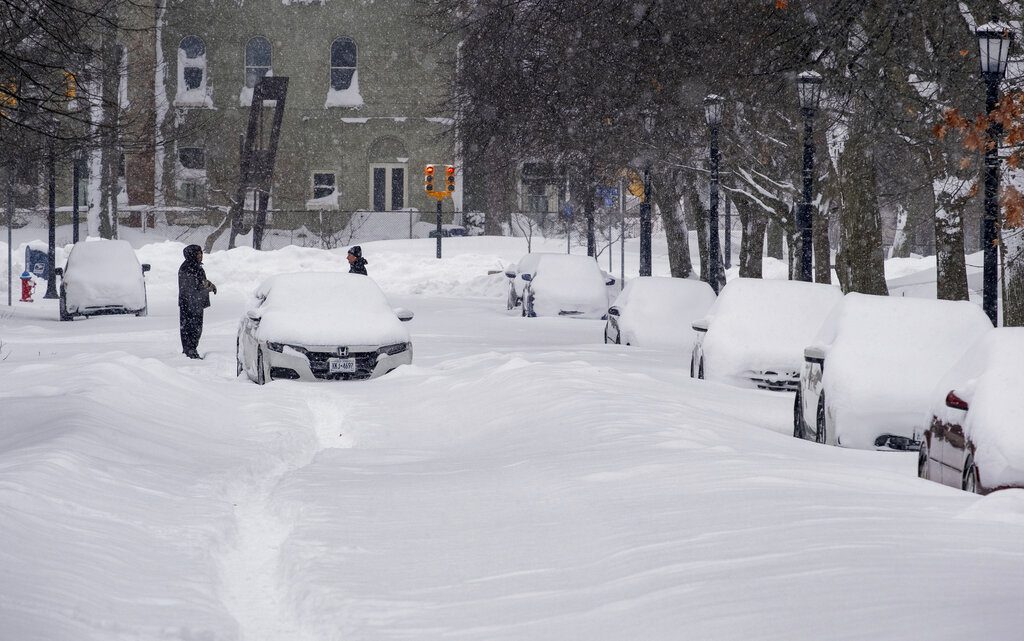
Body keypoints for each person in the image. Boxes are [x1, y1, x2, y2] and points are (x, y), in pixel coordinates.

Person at [178, 244, 216, 359]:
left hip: (195, 304)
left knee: (196, 328)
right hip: (190, 304)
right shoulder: (188, 268)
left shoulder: (195, 266)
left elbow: (200, 282)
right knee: (191, 329)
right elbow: (193, 287)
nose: (201, 256)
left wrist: (210, 285)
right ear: (192, 254)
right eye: (198, 253)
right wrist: (206, 287)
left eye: (201, 253)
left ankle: (191, 350)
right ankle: (190, 351)